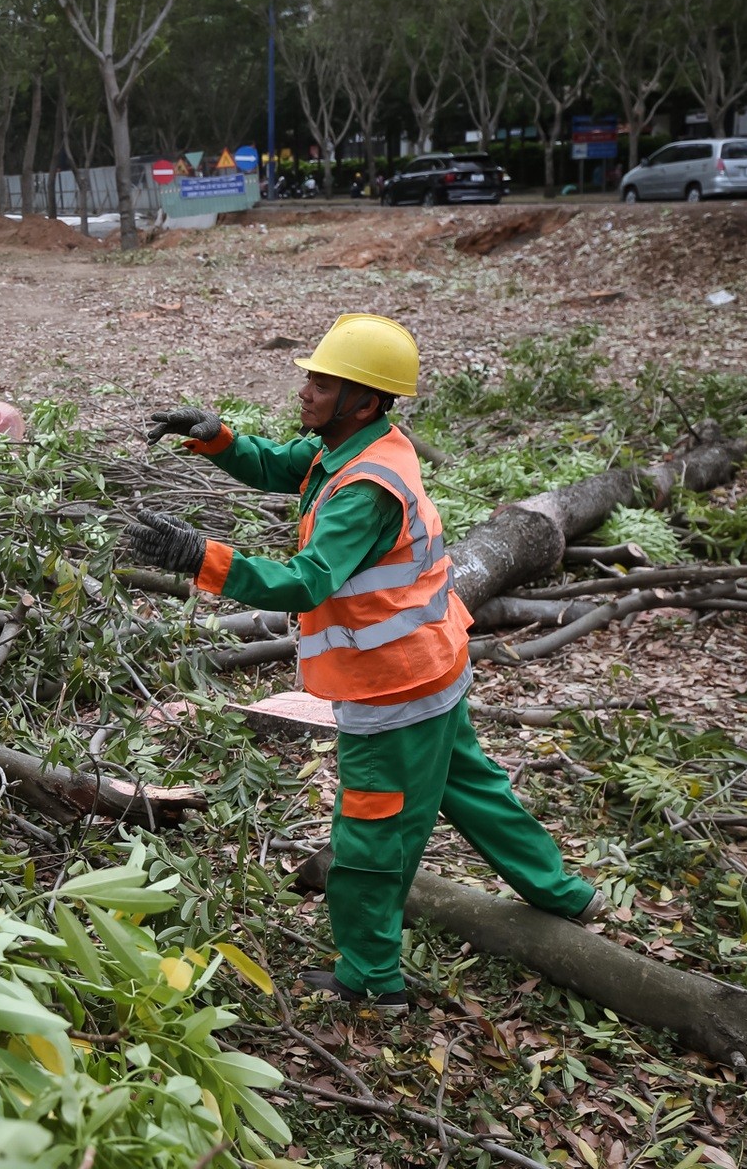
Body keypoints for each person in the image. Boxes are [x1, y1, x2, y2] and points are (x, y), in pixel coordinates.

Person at [124, 314, 602, 1013]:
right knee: (474, 791)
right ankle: (566, 894)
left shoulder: (365, 489)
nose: (306, 392)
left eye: (322, 382)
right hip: (431, 667)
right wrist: (220, 438)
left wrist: (202, 559)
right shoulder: (359, 447)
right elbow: (283, 465)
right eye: (311, 378)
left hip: (393, 692)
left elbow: (306, 581)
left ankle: (373, 980)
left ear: (365, 399)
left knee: (370, 839)